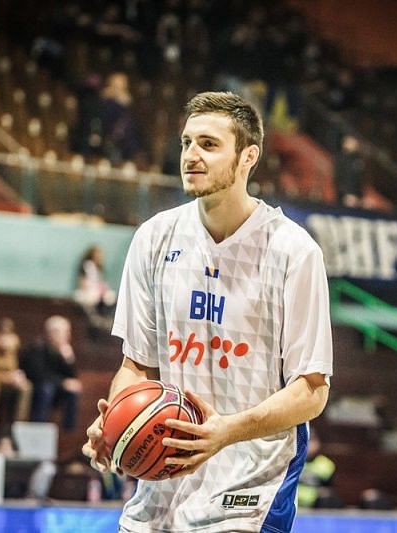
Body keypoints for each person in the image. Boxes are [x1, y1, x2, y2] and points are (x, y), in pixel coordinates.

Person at [82, 91, 332, 532]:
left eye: (209, 145)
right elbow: (136, 365)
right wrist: (117, 421)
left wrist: (226, 432)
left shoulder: (294, 252)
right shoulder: (153, 238)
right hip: (162, 488)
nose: (192, 155)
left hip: (249, 493)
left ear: (248, 157)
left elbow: (311, 392)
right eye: (186, 143)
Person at [22, 315, 82, 431]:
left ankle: (69, 431)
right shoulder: (38, 347)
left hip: (55, 390)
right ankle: (39, 427)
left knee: (73, 392)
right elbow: (38, 374)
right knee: (46, 389)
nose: (68, 335)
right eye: (65, 332)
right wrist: (63, 383)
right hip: (36, 388)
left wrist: (69, 359)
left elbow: (73, 377)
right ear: (52, 333)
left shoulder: (64, 351)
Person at [73, 245, 117, 331]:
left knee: (110, 297)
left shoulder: (98, 268)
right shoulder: (87, 265)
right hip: (89, 290)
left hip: (97, 290)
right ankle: (96, 319)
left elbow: (100, 281)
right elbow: (83, 281)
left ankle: (105, 319)